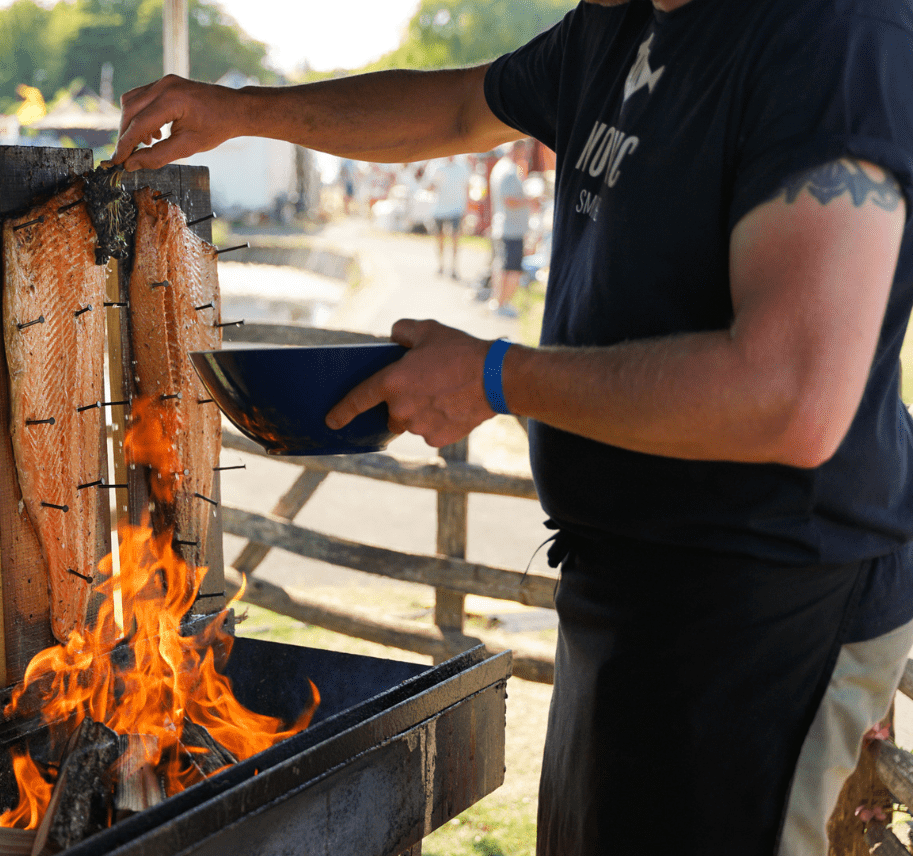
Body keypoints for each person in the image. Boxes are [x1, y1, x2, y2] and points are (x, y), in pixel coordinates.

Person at [111, 1, 913, 854]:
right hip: (627, 586)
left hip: (769, 607)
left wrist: (497, 376)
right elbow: (456, 109)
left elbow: (790, 396)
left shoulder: (837, 36)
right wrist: (240, 113)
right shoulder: (612, 24)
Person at [488, 139, 530, 317]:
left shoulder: (501, 168)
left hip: (504, 226)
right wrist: (531, 200)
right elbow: (509, 200)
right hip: (510, 228)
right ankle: (502, 303)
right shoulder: (509, 171)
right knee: (511, 269)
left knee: (502, 266)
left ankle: (498, 302)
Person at [426, 155, 470, 279]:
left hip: (456, 208)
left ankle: (454, 267)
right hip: (439, 209)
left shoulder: (462, 166)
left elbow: (467, 186)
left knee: (455, 238)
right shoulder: (435, 165)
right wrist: (434, 182)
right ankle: (441, 265)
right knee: (440, 238)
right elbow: (429, 187)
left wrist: (467, 208)